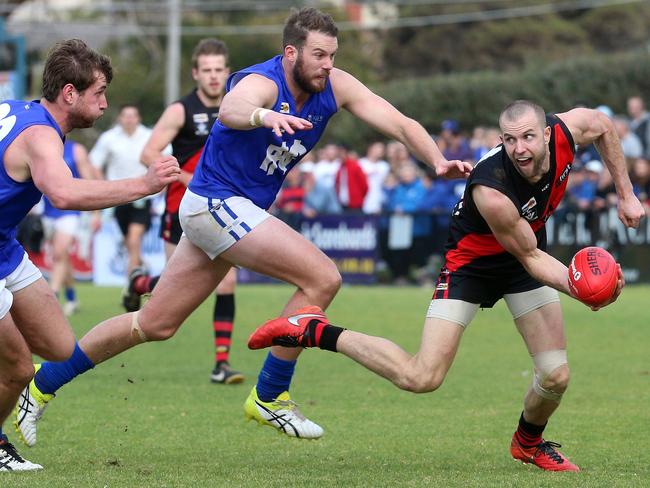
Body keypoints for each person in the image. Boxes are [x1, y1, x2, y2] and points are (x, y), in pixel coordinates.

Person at [16, 8, 470, 446]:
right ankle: (270, 395)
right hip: (216, 203)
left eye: (333, 55)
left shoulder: (336, 85)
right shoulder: (263, 82)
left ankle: (39, 386)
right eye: (319, 55)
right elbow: (234, 106)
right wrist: (263, 115)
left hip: (222, 212)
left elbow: (400, 122)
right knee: (322, 277)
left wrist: (436, 161)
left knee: (154, 323)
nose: (328, 65)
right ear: (291, 53)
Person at [247, 100, 645, 470]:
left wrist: (627, 196)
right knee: (422, 377)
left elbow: (606, 126)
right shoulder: (492, 189)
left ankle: (528, 442)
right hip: (472, 265)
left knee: (555, 374)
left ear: (546, 133)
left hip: (523, 257)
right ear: (500, 140)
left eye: (527, 137)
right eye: (509, 140)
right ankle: (313, 330)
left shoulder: (568, 131)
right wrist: (584, 288)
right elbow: (531, 257)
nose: (519, 149)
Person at [0, 38, 179, 471]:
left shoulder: (20, 110)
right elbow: (61, 193)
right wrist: (143, 184)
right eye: (99, 93)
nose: (104, 104)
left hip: (4, 243)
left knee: (59, 347)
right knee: (18, 368)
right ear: (69, 93)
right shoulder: (42, 136)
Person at [128, 38, 244, 385]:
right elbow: (148, 153)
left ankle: (221, 365)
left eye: (218, 70)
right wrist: (189, 176)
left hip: (224, 210)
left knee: (227, 282)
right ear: (195, 73)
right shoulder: (180, 110)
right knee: (170, 293)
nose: (212, 76)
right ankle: (141, 282)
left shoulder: (237, 105)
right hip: (182, 208)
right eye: (206, 70)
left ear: (227, 72)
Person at [90, 104, 155, 278]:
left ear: (138, 118)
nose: (129, 119)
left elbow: (164, 158)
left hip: (143, 195)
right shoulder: (109, 138)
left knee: (134, 239)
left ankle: (130, 286)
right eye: (125, 115)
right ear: (120, 118)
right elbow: (94, 162)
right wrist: (103, 185)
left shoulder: (149, 137)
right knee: (129, 241)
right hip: (118, 197)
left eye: (133, 115)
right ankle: (140, 264)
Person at [41, 140, 100, 317]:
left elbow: (89, 182)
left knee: (59, 252)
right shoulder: (44, 145)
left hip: (71, 211)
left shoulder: (77, 149)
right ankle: (72, 298)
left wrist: (96, 213)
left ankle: (52, 297)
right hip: (48, 211)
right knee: (62, 257)